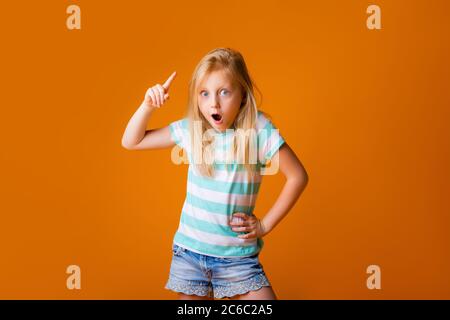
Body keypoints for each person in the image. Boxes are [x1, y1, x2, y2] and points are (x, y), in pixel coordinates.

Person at [121, 47, 309, 300]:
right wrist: (147, 106)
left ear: (242, 94)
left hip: (237, 260)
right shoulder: (192, 129)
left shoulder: (258, 129)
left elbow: (297, 176)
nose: (214, 103)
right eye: (205, 93)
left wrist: (265, 225)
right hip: (190, 256)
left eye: (224, 92)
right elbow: (131, 141)